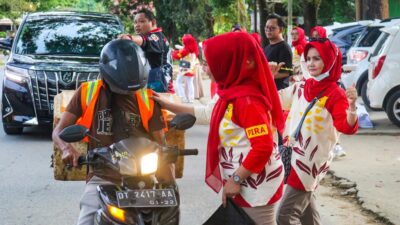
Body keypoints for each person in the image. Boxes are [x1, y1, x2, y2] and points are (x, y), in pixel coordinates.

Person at [52, 40, 172, 225]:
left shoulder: (147, 98)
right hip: (102, 177)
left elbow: (161, 142)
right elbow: (58, 131)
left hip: (144, 177)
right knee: (87, 219)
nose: (128, 93)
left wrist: (168, 177)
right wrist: (66, 148)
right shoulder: (86, 92)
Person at [276, 38, 358, 225]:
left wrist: (352, 107)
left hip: (309, 164)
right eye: (309, 58)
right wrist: (270, 76)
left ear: (329, 60)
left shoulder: (335, 94)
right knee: (308, 216)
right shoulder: (302, 86)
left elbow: (346, 127)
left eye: (317, 59)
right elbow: (274, 100)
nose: (311, 63)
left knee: (284, 217)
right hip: (292, 156)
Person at [119, 9, 174, 93]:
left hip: (161, 89)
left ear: (153, 22)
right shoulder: (158, 36)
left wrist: (130, 38)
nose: (137, 25)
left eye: (141, 21)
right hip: (156, 85)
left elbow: (145, 40)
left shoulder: (156, 37)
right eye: (135, 22)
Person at [264, 14, 293, 90]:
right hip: (267, 89)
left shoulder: (284, 48)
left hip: (279, 91)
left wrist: (267, 75)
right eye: (267, 27)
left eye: (272, 28)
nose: (268, 30)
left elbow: (286, 72)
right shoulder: (267, 48)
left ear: (281, 30)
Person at [172, 34, 203, 103]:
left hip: (185, 67)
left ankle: (183, 97)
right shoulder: (194, 48)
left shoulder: (185, 50)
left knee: (178, 81)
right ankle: (191, 99)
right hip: (192, 67)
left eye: (184, 41)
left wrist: (174, 52)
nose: (183, 42)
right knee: (190, 83)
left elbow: (177, 56)